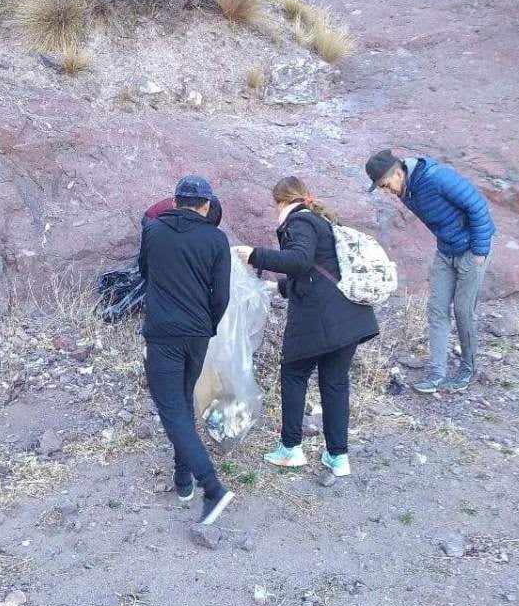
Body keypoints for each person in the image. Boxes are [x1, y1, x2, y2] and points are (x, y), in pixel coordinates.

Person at [236, 176, 378, 477]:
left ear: (281, 201)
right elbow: (314, 270)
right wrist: (279, 288)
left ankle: (290, 449)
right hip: (347, 317)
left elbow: (300, 260)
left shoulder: (300, 222)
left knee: (294, 374)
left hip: (319, 320)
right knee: (335, 383)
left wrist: (254, 255)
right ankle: (338, 457)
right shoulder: (319, 220)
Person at [139, 174, 234, 525]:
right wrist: (207, 325)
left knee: (172, 409)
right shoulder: (216, 239)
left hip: (163, 332)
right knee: (181, 401)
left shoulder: (154, 231)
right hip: (196, 334)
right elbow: (221, 295)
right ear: (206, 206)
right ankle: (183, 480)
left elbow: (144, 271)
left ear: (175, 201)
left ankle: (211, 487)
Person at [365, 149, 495, 393]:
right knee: (436, 309)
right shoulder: (406, 190)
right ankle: (437, 372)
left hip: (471, 250)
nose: (386, 190)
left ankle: (468, 368)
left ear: (398, 172)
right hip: (446, 250)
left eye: (385, 184)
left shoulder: (437, 177)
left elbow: (478, 207)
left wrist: (478, 252)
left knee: (463, 310)